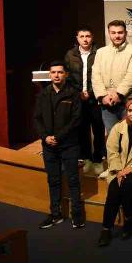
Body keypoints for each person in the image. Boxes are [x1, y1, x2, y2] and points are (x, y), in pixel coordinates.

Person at [34, 61, 84, 229]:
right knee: (53, 180)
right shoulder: (43, 94)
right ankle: (55, 215)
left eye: (60, 72)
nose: (56, 75)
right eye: (53, 72)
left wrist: (58, 136)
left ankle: (77, 215)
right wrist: (45, 137)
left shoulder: (73, 94)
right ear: (49, 75)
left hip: (69, 144)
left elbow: (76, 120)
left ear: (66, 75)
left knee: (73, 180)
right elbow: (37, 118)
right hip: (49, 145)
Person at [98, 98, 132, 247]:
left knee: (128, 186)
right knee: (114, 189)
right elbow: (112, 151)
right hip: (118, 168)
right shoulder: (118, 127)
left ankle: (128, 220)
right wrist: (118, 170)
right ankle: (106, 229)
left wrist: (130, 168)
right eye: (130, 110)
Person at [64, 26, 105, 175]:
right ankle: (86, 158)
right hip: (78, 98)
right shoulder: (70, 55)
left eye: (88, 36)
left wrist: (92, 93)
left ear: (92, 37)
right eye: (82, 36)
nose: (85, 39)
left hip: (95, 98)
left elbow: (103, 75)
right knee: (82, 130)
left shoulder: (99, 53)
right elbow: (67, 77)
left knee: (98, 129)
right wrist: (78, 93)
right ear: (77, 38)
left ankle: (98, 159)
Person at [91, 20, 132, 134]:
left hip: (126, 102)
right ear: (108, 33)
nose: (117, 36)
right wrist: (102, 96)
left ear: (126, 33)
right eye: (113, 33)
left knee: (128, 135)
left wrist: (118, 94)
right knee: (112, 136)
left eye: (120, 32)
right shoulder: (101, 52)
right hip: (106, 102)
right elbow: (95, 75)